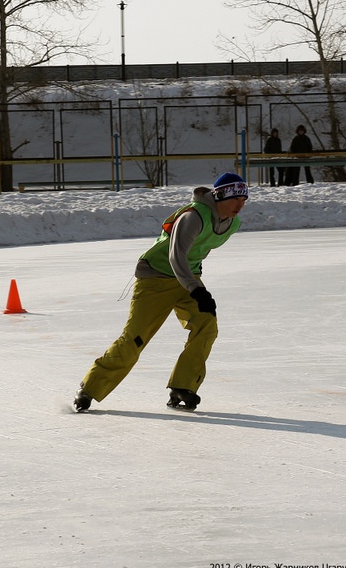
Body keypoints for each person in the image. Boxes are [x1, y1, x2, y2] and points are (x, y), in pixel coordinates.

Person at [74, 172, 249, 412]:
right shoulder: (193, 216)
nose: (240, 205)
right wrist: (196, 289)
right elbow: (176, 256)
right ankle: (89, 388)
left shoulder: (231, 223)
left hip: (187, 278)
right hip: (155, 277)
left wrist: (195, 282)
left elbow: (198, 250)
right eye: (235, 199)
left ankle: (183, 386)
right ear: (219, 196)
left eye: (243, 199)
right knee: (135, 338)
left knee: (206, 325)